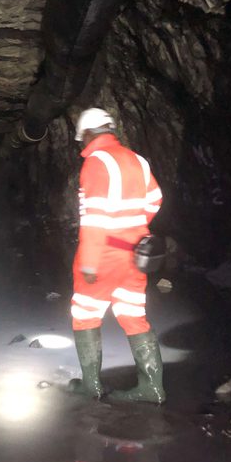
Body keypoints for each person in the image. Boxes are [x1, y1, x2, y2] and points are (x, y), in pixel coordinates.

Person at [71, 107, 165, 403]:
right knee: (133, 313)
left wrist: (88, 261)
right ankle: (152, 387)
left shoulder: (96, 163)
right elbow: (155, 199)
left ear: (87, 134)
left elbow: (95, 218)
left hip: (105, 252)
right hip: (136, 252)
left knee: (85, 313)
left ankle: (92, 386)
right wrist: (135, 226)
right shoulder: (138, 160)